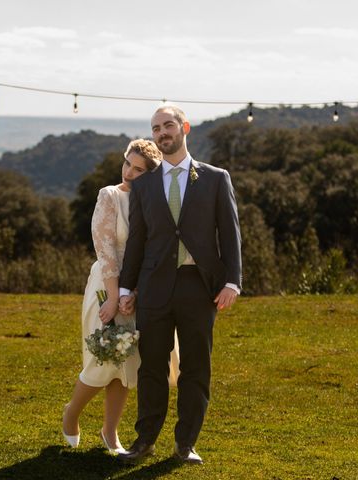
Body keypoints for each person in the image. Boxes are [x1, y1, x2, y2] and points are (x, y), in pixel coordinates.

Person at [117, 104, 242, 465]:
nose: (162, 133)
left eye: (168, 125)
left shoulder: (217, 178)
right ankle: (144, 441)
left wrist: (232, 280)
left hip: (199, 287)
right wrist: (126, 288)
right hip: (154, 286)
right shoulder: (144, 186)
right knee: (151, 367)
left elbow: (230, 235)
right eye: (155, 128)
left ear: (184, 127)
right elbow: (138, 239)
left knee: (196, 367)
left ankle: (186, 444)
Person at [62, 139, 179, 454]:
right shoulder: (109, 196)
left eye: (139, 169)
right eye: (128, 163)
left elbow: (153, 252)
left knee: (126, 365)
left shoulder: (155, 203)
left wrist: (137, 292)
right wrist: (115, 297)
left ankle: (109, 432)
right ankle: (71, 412)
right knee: (104, 359)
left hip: (139, 291)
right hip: (106, 287)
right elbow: (107, 251)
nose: (129, 172)